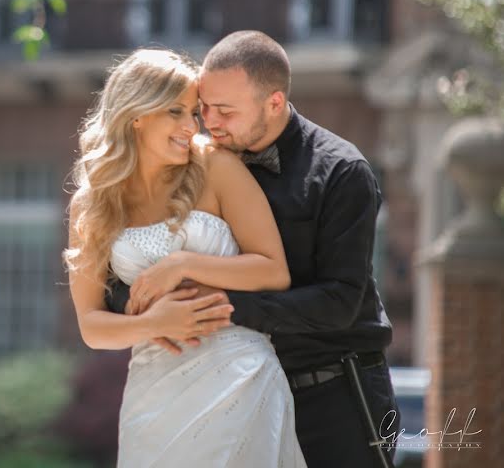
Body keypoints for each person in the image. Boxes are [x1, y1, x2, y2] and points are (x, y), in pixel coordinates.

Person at [107, 31, 400, 468]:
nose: (209, 123)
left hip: (335, 394)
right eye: (203, 107)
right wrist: (151, 313)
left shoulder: (342, 171)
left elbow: (339, 302)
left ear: (275, 103)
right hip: (227, 397)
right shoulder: (194, 162)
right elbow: (134, 264)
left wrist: (217, 307)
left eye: (225, 111)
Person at [65, 48, 307, 467]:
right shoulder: (94, 204)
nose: (191, 126)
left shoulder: (217, 167)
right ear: (137, 114)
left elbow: (273, 270)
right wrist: (149, 324)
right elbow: (91, 325)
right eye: (176, 112)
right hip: (153, 391)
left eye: (193, 113)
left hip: (240, 375)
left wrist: (181, 265)